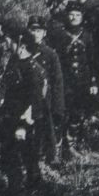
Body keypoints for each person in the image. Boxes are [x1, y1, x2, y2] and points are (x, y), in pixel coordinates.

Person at [0, 29, 48, 196]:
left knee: (29, 159)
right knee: (10, 157)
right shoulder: (16, 64)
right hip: (12, 118)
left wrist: (23, 127)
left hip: (25, 123)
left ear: (22, 46)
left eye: (12, 42)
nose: (9, 45)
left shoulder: (32, 70)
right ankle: (15, 193)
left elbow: (34, 103)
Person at [54, 5, 99, 151]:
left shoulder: (87, 36)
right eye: (71, 15)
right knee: (63, 112)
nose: (74, 18)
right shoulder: (60, 35)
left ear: (82, 17)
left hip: (83, 81)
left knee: (78, 112)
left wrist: (93, 81)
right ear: (67, 16)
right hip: (65, 81)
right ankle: (60, 145)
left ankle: (73, 145)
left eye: (77, 15)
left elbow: (92, 60)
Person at [27, 15, 68, 164]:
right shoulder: (22, 51)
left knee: (47, 130)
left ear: (44, 33)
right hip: (26, 99)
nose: (35, 34)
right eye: (32, 30)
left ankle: (50, 158)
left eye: (38, 31)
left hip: (46, 99)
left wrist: (58, 106)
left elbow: (57, 81)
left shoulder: (51, 54)